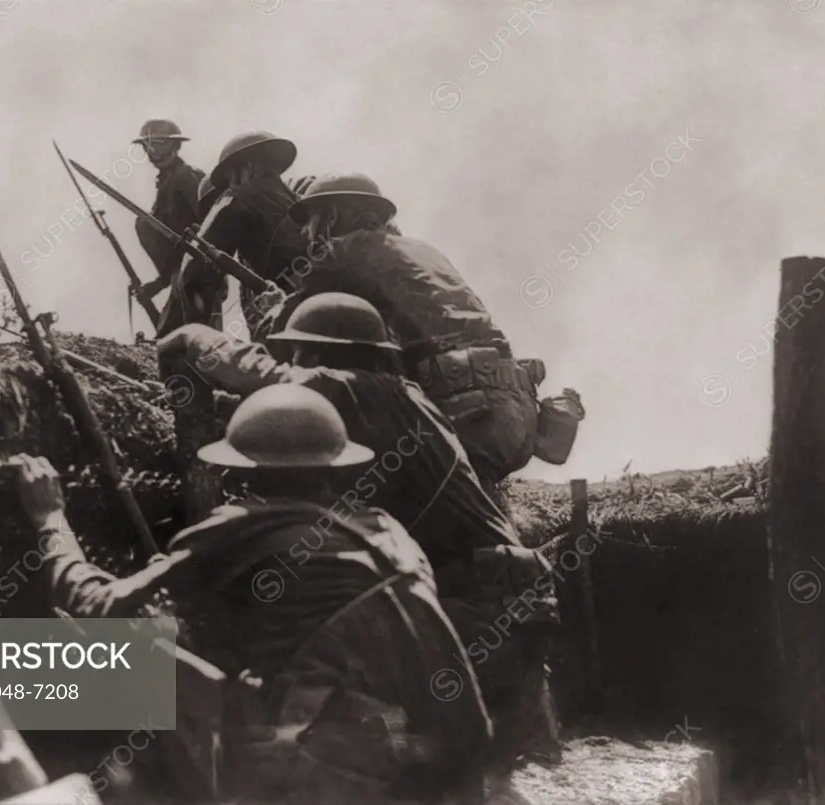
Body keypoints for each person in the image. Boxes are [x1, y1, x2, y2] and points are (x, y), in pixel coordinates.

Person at [13, 388, 493, 802]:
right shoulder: (389, 537)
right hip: (397, 764)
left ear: (242, 474)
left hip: (298, 773)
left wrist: (51, 521)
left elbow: (99, 607)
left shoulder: (242, 525)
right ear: (336, 468)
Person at [158, 292, 559, 761]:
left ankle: (62, 699)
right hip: (503, 601)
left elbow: (268, 376)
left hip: (474, 603)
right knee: (506, 772)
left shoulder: (365, 391)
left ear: (320, 354)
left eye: (300, 352)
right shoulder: (398, 403)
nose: (296, 362)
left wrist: (192, 335)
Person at [259, 173, 543, 500]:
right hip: (518, 410)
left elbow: (286, 336)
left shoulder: (340, 251)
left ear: (332, 215)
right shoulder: (423, 250)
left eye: (309, 221)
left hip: (460, 412)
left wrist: (268, 311)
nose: (307, 233)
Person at [155, 131, 309, 338]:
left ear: (246, 168)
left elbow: (195, 270)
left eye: (229, 179)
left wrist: (185, 338)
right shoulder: (307, 206)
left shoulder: (237, 198)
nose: (230, 186)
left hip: (292, 325)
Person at [132, 119, 206, 305]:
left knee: (199, 331)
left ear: (175, 145)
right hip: (179, 276)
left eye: (159, 145)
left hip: (199, 274)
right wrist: (162, 282)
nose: (153, 152)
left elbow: (208, 222)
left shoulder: (186, 176)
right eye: (148, 146)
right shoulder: (166, 181)